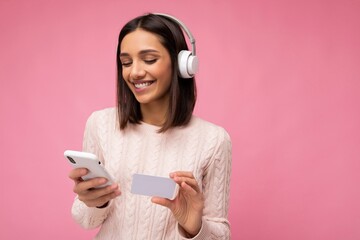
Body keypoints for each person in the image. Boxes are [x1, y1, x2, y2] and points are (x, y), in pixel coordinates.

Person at [68, 12, 232, 239]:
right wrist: (95, 203)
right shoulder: (101, 125)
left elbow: (221, 233)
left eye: (149, 59)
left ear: (182, 64)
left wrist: (193, 226)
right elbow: (84, 219)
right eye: (126, 62)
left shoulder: (213, 140)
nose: (134, 72)